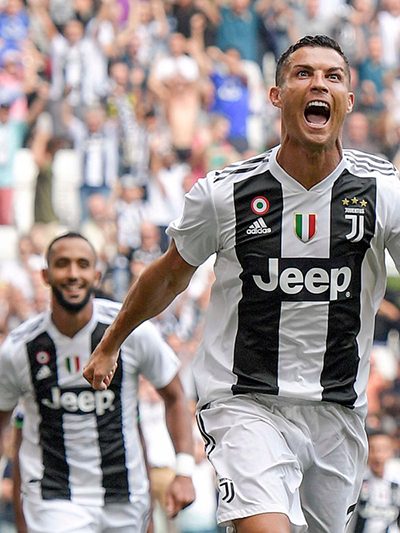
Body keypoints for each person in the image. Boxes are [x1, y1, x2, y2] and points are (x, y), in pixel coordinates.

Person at [83, 35, 400, 532]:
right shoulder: (226, 193)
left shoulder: (382, 191)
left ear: (349, 101)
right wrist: (111, 342)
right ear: (276, 96)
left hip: (338, 411)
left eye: (333, 76)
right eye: (303, 73)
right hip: (246, 403)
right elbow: (169, 275)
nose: (319, 84)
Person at [0, 231, 195, 533]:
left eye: (82, 264)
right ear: (45, 275)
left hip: (125, 496)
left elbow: (175, 395)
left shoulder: (132, 331)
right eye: (62, 264)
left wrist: (183, 470)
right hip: (54, 500)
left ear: (96, 274)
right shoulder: (20, 348)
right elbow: (6, 421)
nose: (73, 274)